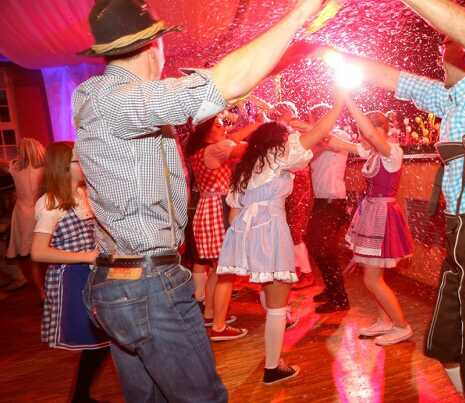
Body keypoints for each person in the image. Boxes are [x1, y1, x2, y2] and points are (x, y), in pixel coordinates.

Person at [73, 0, 326, 401]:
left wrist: (291, 47)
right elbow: (222, 84)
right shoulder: (123, 100)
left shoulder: (99, 95)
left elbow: (226, 85)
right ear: (153, 44)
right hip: (147, 284)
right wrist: (302, 11)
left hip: (117, 280)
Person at [339, 1, 465, 400]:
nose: (437, 52)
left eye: (446, 43)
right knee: (445, 348)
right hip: (463, 236)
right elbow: (396, 79)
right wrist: (329, 55)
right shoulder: (452, 98)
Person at [217, 98, 344, 385]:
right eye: (285, 136)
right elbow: (320, 131)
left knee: (268, 287)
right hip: (271, 229)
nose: (289, 140)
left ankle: (278, 337)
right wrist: (341, 99)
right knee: (277, 303)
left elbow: (234, 212)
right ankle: (273, 367)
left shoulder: (247, 167)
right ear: (276, 140)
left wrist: (242, 247)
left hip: (247, 231)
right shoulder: (278, 155)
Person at [325, 99, 414, 344]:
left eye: (365, 133)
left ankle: (401, 325)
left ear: (378, 132)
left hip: (383, 216)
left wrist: (350, 101)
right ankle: (385, 320)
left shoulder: (391, 152)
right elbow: (333, 141)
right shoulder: (374, 151)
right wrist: (300, 126)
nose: (361, 138)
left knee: (371, 279)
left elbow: (373, 141)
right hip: (373, 214)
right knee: (373, 276)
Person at [31, 142, 110, 403]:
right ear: (64, 167)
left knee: (103, 340)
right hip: (72, 279)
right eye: (79, 160)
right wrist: (86, 256)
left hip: (91, 276)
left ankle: (80, 396)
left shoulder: (84, 193)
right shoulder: (51, 202)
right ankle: (80, 396)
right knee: (100, 340)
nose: (85, 163)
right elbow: (38, 252)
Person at [186, 114, 254, 341]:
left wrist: (257, 124)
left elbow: (232, 139)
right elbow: (241, 147)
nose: (223, 128)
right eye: (218, 125)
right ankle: (219, 326)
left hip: (210, 205)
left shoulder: (204, 150)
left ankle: (210, 312)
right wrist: (260, 132)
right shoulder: (215, 150)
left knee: (217, 267)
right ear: (207, 131)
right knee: (226, 268)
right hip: (218, 207)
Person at [306, 103, 353, 313]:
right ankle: (332, 290)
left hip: (333, 200)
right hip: (321, 200)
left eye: (314, 118)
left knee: (326, 251)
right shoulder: (317, 138)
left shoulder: (339, 134)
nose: (312, 122)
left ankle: (340, 299)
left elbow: (325, 142)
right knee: (318, 249)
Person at [268, 101, 315, 289]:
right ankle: (295, 269)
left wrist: (289, 120)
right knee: (287, 228)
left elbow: (316, 131)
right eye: (278, 111)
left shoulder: (299, 128)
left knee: (295, 229)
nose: (279, 114)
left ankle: (307, 273)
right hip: (284, 183)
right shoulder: (278, 132)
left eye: (284, 111)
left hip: (300, 182)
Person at [6, 138, 45, 294]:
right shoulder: (44, 168)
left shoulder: (14, 168)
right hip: (41, 211)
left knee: (32, 257)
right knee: (50, 251)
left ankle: (41, 291)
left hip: (23, 214)